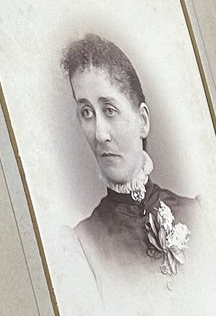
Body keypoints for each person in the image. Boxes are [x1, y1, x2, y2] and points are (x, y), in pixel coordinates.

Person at [62, 32, 199, 295]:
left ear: (142, 121)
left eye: (109, 110)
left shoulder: (198, 215)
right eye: (86, 113)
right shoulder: (82, 246)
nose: (100, 134)